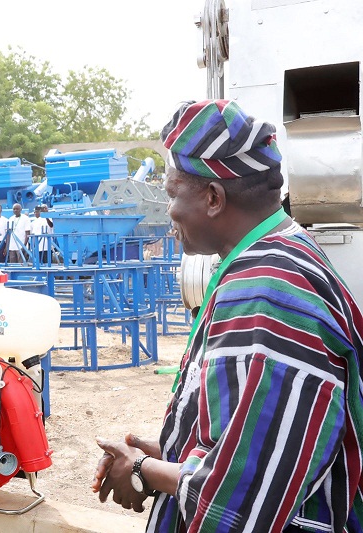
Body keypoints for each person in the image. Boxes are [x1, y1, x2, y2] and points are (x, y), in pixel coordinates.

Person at [91, 100, 363, 532]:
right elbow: (255, 432)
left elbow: (244, 500)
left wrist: (144, 470)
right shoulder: (279, 255)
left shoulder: (265, 294)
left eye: (171, 194)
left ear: (214, 198)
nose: (169, 213)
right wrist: (172, 449)